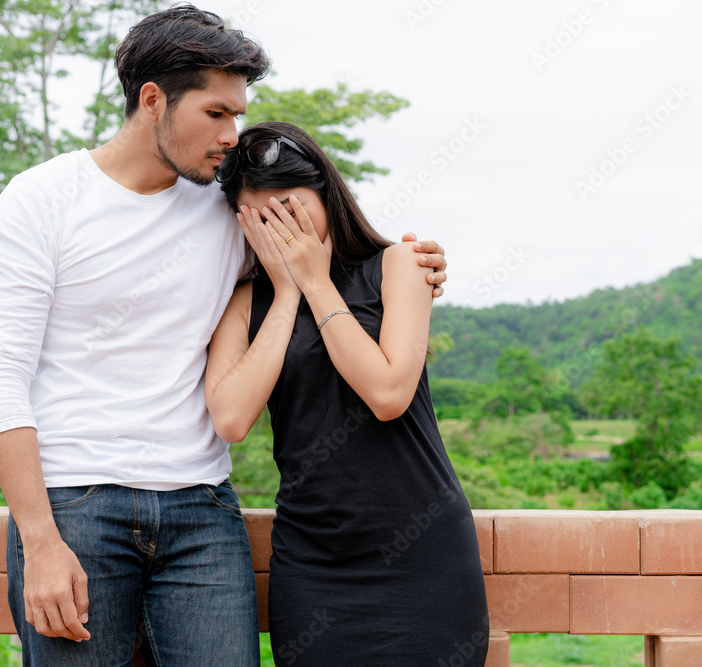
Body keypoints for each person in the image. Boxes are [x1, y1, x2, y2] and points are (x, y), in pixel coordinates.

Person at [0, 6, 449, 666]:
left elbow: (326, 245)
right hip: (75, 502)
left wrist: (417, 264)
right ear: (153, 99)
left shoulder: (227, 208)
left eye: (238, 115)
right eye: (216, 113)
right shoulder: (40, 201)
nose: (231, 133)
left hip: (201, 508)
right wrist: (39, 537)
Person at [205, 121, 489, 666]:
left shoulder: (399, 266)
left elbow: (387, 394)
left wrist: (315, 282)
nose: (282, 226)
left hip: (424, 554)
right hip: (313, 563)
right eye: (262, 217)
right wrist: (287, 292)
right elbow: (230, 419)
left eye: (291, 206)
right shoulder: (245, 303)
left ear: (325, 192)